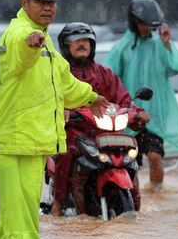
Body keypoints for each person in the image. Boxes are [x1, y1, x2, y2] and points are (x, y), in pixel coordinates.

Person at [0, 0, 109, 239]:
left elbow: (64, 83)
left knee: (16, 219)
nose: (48, 8)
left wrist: (92, 97)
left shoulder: (46, 40)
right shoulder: (19, 34)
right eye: (40, 1)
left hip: (34, 142)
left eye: (52, 2)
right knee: (23, 226)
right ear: (24, 3)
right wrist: (29, 45)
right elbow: (19, 54)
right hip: (13, 143)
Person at [51, 22, 150, 216]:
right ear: (65, 46)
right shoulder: (60, 72)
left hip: (106, 132)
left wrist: (138, 112)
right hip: (75, 130)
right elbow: (51, 97)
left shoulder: (105, 73)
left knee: (131, 154)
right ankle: (59, 201)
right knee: (67, 151)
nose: (82, 44)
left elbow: (124, 99)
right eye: (76, 41)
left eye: (86, 40)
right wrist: (62, 112)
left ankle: (136, 203)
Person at [106, 0, 178, 190]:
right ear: (134, 23)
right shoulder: (121, 48)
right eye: (144, 25)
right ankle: (130, 195)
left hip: (154, 117)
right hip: (128, 115)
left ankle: (156, 194)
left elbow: (176, 66)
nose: (148, 29)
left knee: (155, 157)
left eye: (151, 25)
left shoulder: (160, 45)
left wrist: (167, 44)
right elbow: (109, 79)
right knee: (127, 163)